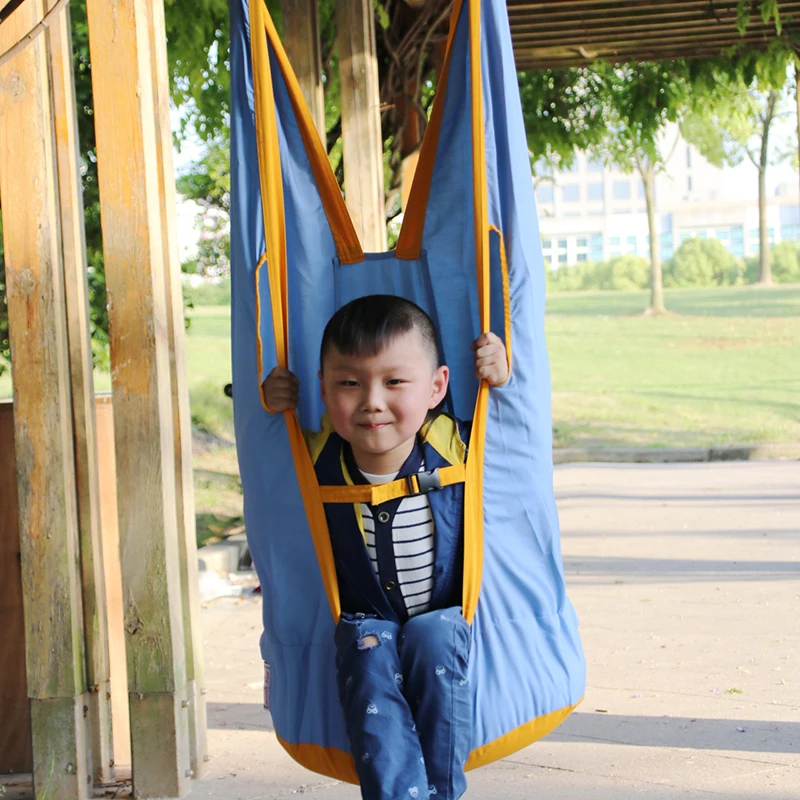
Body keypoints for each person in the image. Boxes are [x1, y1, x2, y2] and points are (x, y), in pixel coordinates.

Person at [262, 295, 508, 800]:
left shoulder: (454, 444)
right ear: (324, 390)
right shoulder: (315, 454)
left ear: (436, 387)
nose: (372, 400)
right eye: (349, 384)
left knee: (434, 635)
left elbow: (515, 434)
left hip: (442, 621)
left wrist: (504, 380)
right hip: (366, 623)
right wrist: (267, 408)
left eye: (395, 382)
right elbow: (264, 450)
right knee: (365, 644)